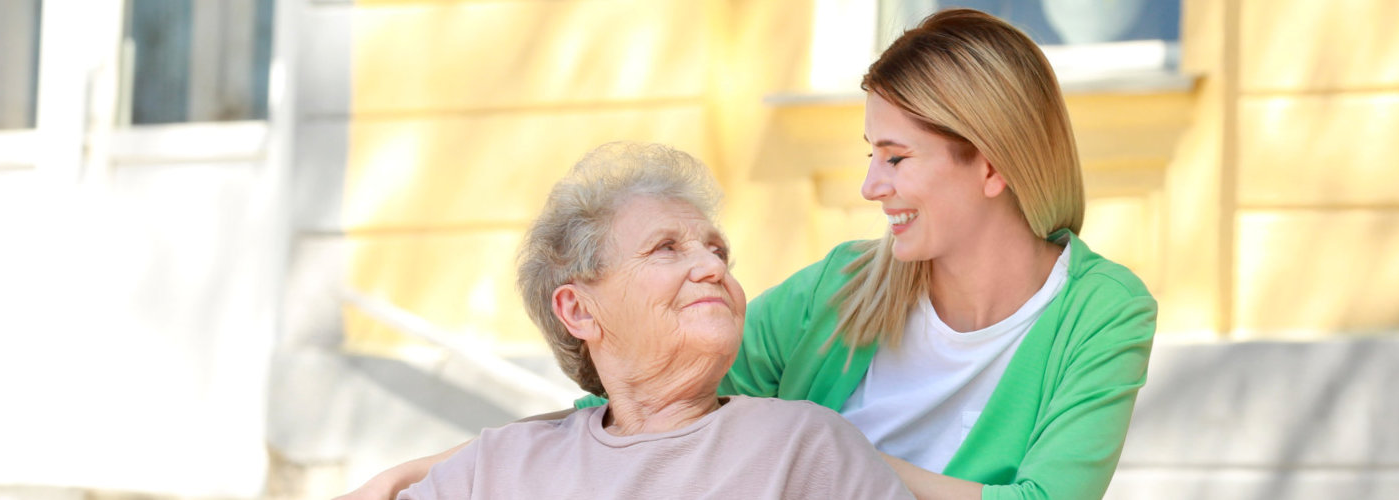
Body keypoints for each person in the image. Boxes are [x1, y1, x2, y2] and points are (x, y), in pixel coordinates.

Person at [347, 8, 1155, 500]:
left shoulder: (1100, 312)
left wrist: (825, 457)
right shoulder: (846, 287)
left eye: (897, 158)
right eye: (870, 152)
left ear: (989, 162)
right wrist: (425, 469)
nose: (872, 185)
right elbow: (639, 397)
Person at [390, 142, 911, 500]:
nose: (712, 267)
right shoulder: (495, 468)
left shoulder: (805, 445)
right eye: (666, 248)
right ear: (578, 310)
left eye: (718, 252)